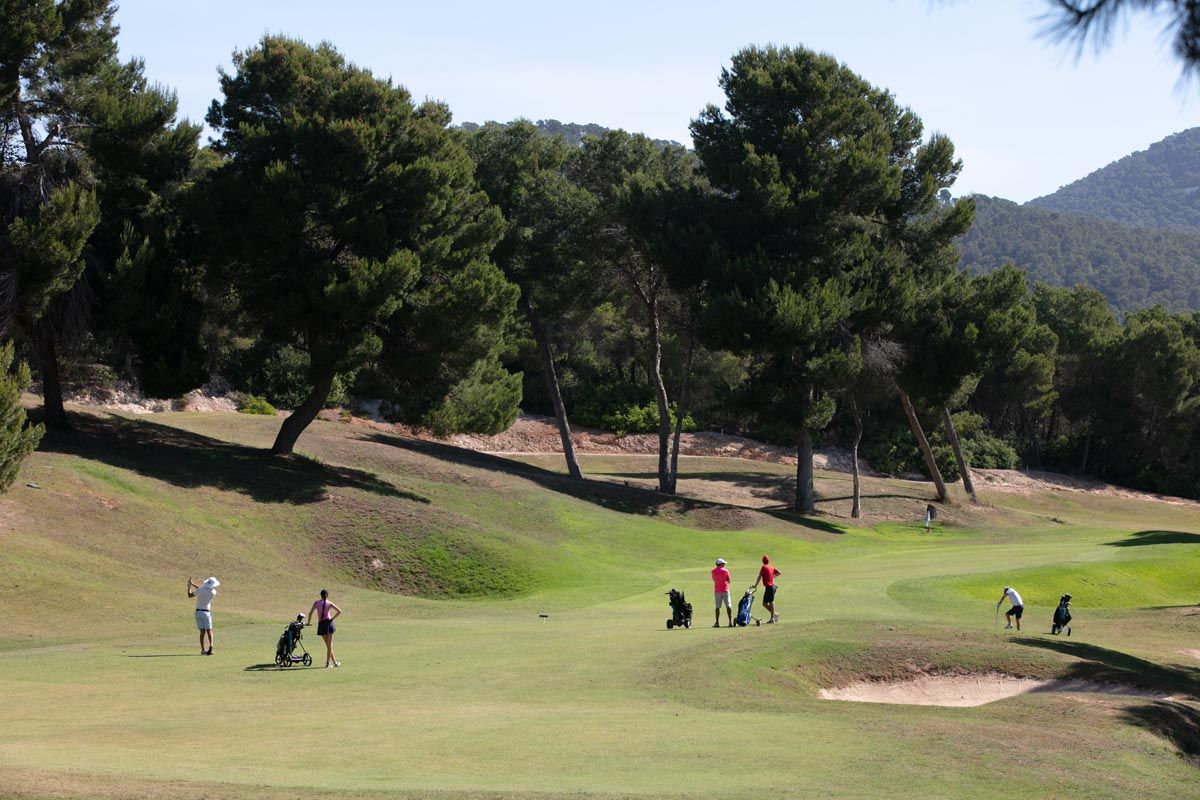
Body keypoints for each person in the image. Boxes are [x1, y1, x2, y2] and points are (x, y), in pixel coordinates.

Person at [309, 588, 343, 667]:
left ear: (321, 595)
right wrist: (332, 619)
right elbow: (339, 611)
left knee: (328, 646)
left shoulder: (316, 603)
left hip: (321, 625)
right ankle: (330, 663)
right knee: (329, 646)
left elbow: (310, 613)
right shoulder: (329, 603)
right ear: (327, 596)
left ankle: (333, 663)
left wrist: (309, 622)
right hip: (329, 624)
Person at [187, 576, 219, 655]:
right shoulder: (213, 592)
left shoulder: (200, 590)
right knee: (209, 630)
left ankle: (203, 650)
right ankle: (211, 645)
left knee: (202, 631)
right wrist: (193, 584)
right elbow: (201, 589)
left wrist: (189, 586)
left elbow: (190, 595)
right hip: (206, 612)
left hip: (198, 612)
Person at [754, 555, 781, 624]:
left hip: (770, 587)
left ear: (763, 561)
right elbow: (779, 572)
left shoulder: (763, 567)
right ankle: (775, 614)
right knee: (764, 603)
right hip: (771, 587)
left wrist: (756, 585)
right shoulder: (771, 567)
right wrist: (773, 577)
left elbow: (759, 576)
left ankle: (772, 619)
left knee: (771, 602)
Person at [711, 558, 733, 628]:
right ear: (720, 564)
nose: (724, 565)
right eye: (723, 564)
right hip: (725, 590)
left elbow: (714, 580)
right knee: (728, 606)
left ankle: (717, 622)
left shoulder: (713, 571)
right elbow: (729, 580)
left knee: (717, 607)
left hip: (717, 591)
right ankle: (730, 622)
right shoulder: (726, 571)